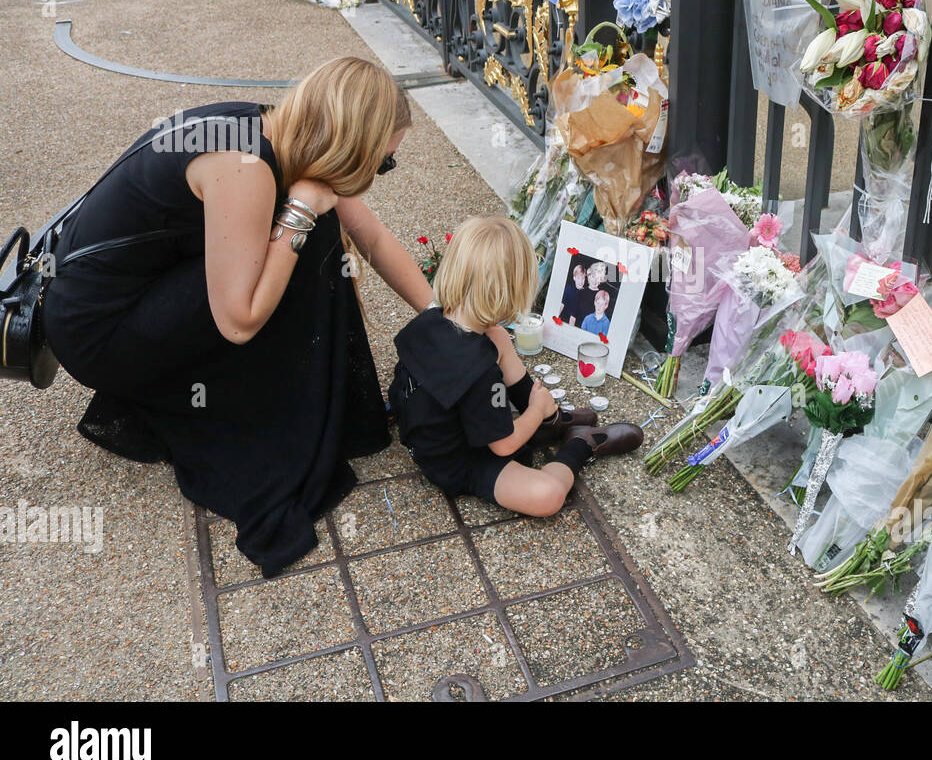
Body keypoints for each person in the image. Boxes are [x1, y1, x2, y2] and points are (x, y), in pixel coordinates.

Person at [44, 57, 431, 577]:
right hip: (98, 333)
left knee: (306, 228)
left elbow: (374, 238)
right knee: (305, 236)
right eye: (383, 164)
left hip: (119, 292)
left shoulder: (278, 127)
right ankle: (282, 417)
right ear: (351, 148)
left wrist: (442, 318)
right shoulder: (246, 169)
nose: (379, 175)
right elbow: (239, 320)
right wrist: (298, 215)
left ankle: (280, 394)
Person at [388, 216, 643, 517]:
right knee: (547, 496)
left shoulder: (428, 320)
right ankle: (580, 442)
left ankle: (552, 421)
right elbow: (503, 446)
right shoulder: (481, 372)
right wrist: (534, 410)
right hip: (462, 461)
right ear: (512, 291)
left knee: (496, 335)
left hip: (443, 431)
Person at [559, 261, 590, 326]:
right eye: (578, 278)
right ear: (574, 278)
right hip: (563, 321)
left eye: (583, 278)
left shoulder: (585, 293)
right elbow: (561, 305)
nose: (580, 281)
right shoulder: (569, 289)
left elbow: (575, 316)